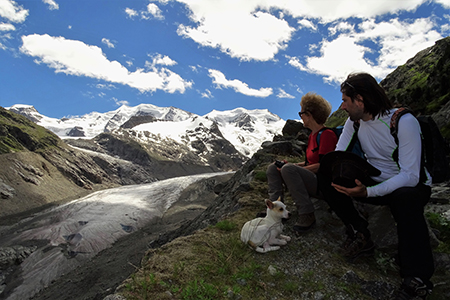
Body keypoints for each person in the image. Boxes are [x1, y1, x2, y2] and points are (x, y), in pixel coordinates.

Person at [318, 72, 434, 299]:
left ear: (360, 100)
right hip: (374, 180)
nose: (342, 107)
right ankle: (360, 232)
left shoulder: (403, 121)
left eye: (345, 100)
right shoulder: (355, 121)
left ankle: (417, 279)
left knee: (405, 198)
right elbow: (338, 156)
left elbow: (410, 175)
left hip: (410, 186)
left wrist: (368, 192)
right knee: (326, 170)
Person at [266, 92, 337, 233]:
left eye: (301, 113)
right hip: (313, 180)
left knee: (287, 169)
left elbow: (323, 166)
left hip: (324, 184)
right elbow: (308, 163)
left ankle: (307, 214)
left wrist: (290, 169)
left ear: (309, 114)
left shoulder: (327, 135)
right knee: (273, 168)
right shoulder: (312, 136)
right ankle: (275, 209)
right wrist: (289, 165)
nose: (301, 116)